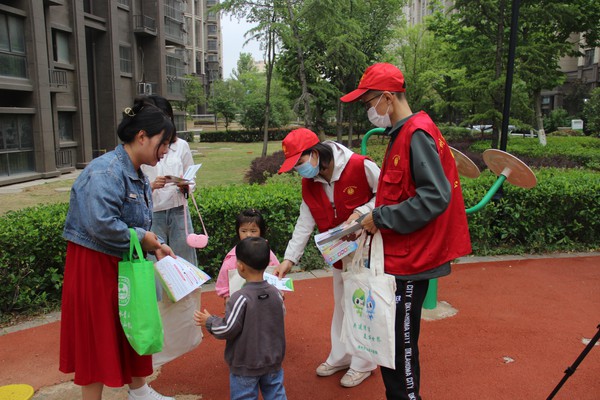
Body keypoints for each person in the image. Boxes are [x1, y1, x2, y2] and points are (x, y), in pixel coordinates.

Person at [340, 62, 472, 400]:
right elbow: (403, 193)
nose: (370, 111)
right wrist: (370, 213)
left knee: (400, 343)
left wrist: (380, 218)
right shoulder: (404, 133)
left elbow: (434, 196)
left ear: (386, 98)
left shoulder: (416, 134)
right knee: (391, 338)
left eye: (370, 104)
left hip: (413, 261)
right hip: (401, 255)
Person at [60, 98, 177, 400]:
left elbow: (135, 222)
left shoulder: (136, 171)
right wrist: (144, 238)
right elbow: (101, 225)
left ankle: (139, 391)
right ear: (142, 137)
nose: (165, 151)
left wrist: (156, 245)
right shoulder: (105, 172)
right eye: (163, 143)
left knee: (132, 322)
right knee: (96, 337)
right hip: (95, 265)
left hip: (119, 261)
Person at [273, 128, 381, 388]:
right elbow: (305, 221)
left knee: (363, 305)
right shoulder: (310, 182)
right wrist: (289, 260)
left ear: (315, 154)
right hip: (340, 253)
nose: (299, 170)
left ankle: (364, 363)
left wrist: (362, 211)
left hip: (368, 249)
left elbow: (388, 195)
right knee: (343, 303)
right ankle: (341, 355)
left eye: (300, 163)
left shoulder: (361, 166)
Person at [194, 237, 287, 400]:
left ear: (240, 266)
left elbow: (227, 328)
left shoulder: (240, 297)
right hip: (273, 360)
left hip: (245, 363)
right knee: (276, 394)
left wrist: (209, 321)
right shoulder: (276, 293)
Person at [141, 95, 198, 267]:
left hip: (178, 210)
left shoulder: (181, 145)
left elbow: (191, 177)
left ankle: (187, 295)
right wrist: (151, 186)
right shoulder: (141, 147)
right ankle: (156, 295)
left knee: (185, 262)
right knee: (156, 263)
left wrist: (185, 186)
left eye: (166, 118)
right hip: (152, 212)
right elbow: (132, 186)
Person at [214, 209, 280, 302]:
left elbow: (277, 272)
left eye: (253, 231)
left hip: (265, 301)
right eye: (244, 231)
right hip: (240, 303)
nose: (248, 235)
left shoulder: (267, 252)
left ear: (261, 231)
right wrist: (227, 297)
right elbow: (223, 282)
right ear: (238, 231)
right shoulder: (232, 256)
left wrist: (279, 291)